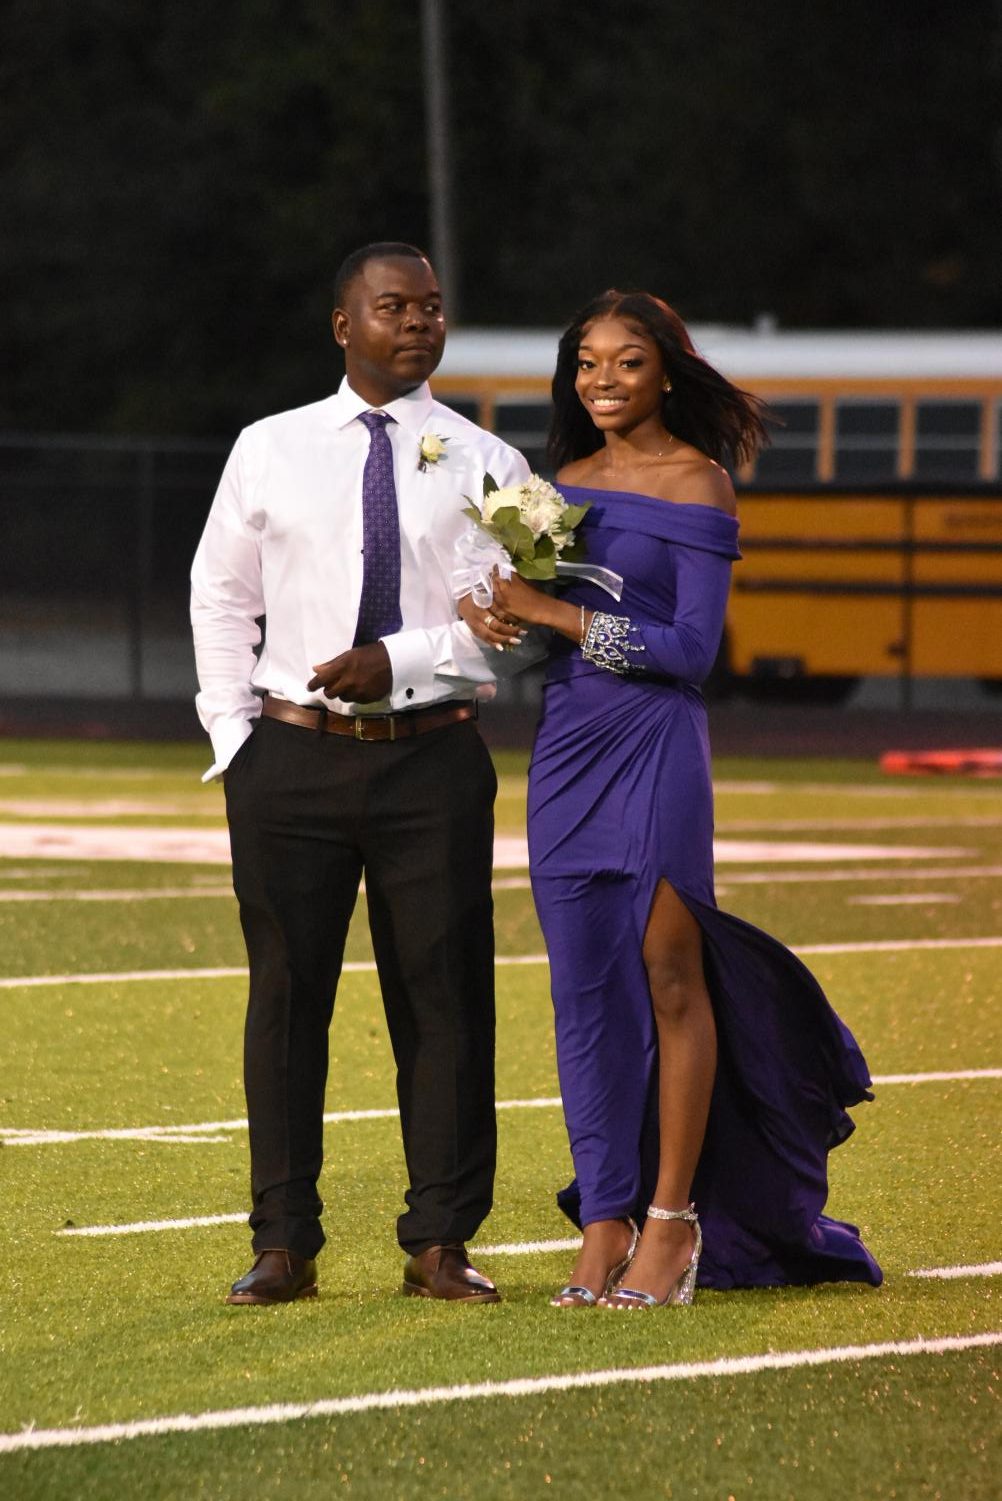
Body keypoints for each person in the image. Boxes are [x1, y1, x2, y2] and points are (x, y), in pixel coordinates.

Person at [462, 290, 882, 1308]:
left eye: (628, 363)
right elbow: (534, 615)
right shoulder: (559, 482)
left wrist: (552, 613)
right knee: (582, 992)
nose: (604, 381)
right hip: (566, 746)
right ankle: (602, 1221)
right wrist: (496, 616)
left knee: (669, 973)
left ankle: (671, 1222)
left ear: (666, 373)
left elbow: (691, 653)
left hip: (655, 745)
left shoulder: (701, 483)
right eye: (588, 364)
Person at [191, 241, 532, 1305]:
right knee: (286, 998)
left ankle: (440, 1239)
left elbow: (514, 626)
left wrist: (409, 657)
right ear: (346, 325)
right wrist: (235, 738)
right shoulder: (268, 446)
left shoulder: (491, 463)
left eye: (432, 308)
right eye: (395, 307)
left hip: (431, 758)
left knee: (444, 999)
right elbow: (219, 595)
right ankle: (283, 1241)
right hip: (288, 759)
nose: (420, 324)